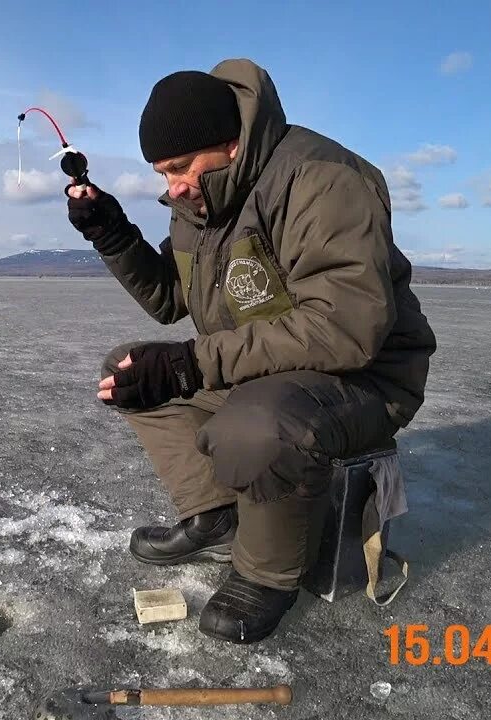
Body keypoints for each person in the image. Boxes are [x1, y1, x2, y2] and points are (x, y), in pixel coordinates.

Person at [65, 58, 436, 644]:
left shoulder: (322, 179)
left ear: (231, 144)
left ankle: (267, 573)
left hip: (364, 381)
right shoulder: (203, 206)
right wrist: (114, 235)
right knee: (129, 372)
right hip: (271, 373)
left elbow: (344, 327)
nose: (174, 188)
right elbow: (169, 298)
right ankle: (216, 514)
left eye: (180, 169)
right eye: (163, 176)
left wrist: (193, 364)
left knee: (259, 422)